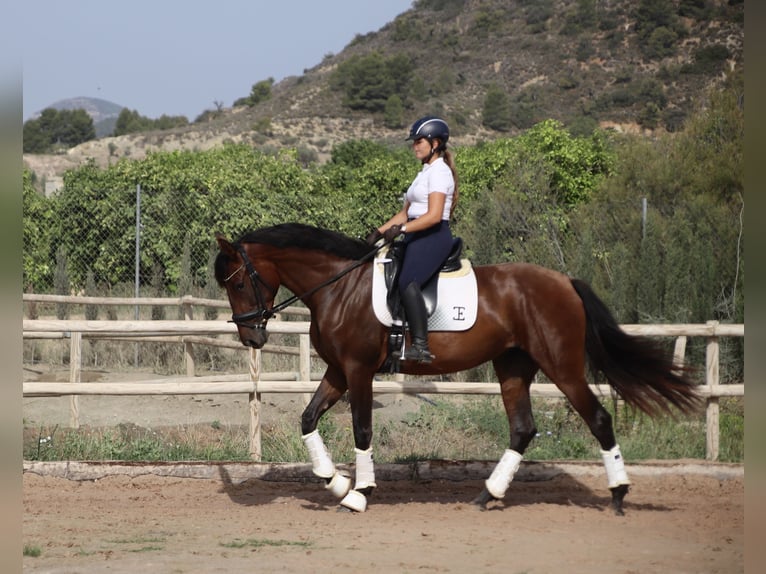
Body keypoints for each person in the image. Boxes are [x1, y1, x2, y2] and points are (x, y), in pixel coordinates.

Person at [366, 116, 459, 364]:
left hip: (433, 235)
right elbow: (405, 211)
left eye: (419, 141)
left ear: (435, 143)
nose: (415, 146)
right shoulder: (424, 172)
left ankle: (421, 346)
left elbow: (434, 215)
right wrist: (378, 231)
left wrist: (402, 229)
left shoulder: (440, 172)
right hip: (416, 231)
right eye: (414, 142)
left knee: (408, 280)